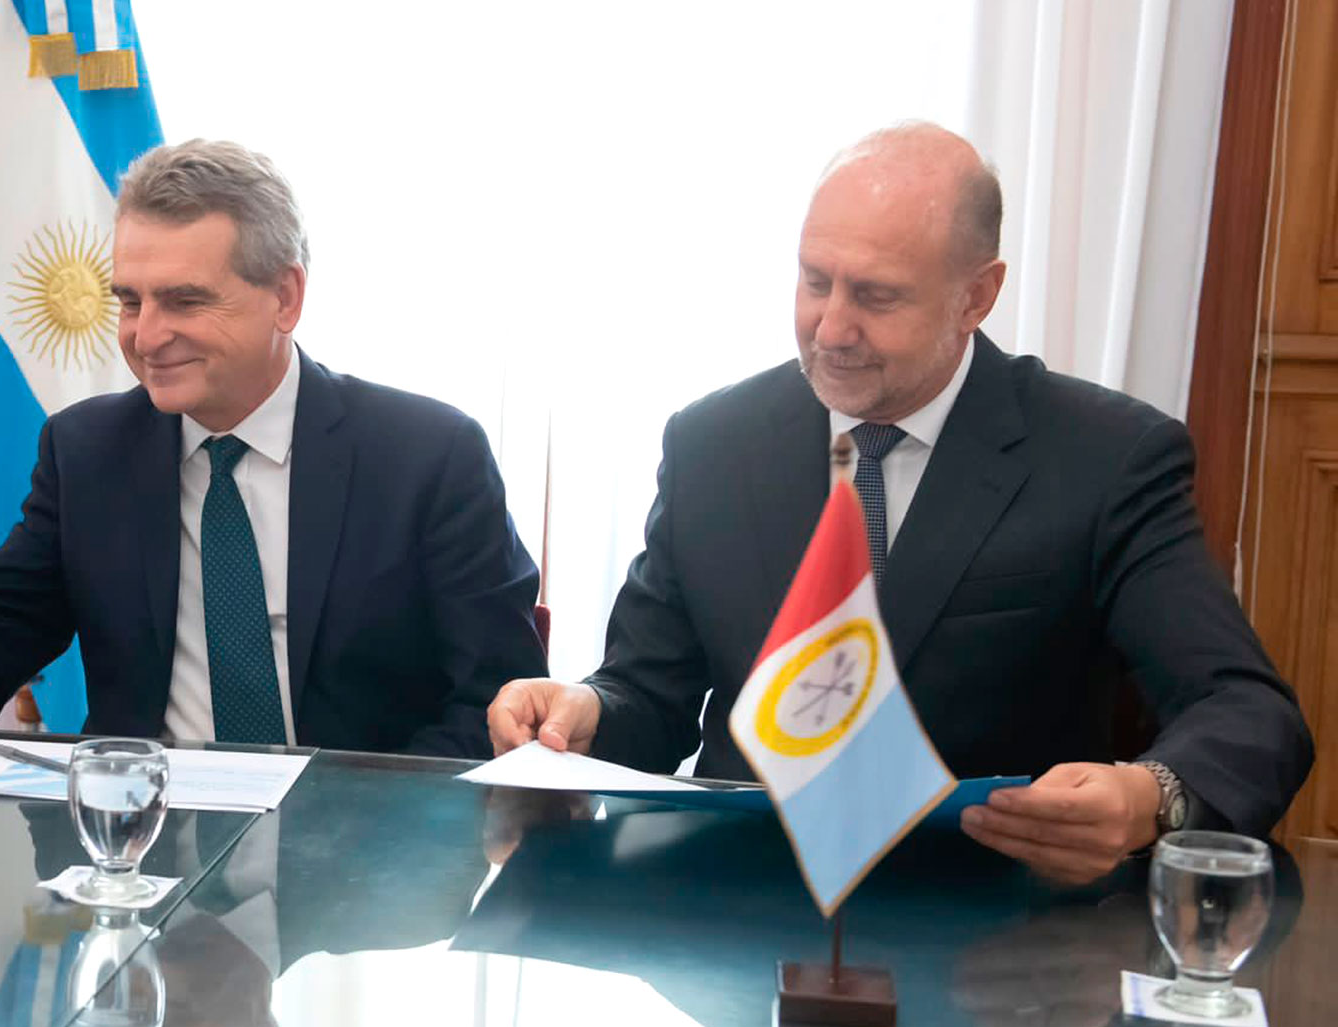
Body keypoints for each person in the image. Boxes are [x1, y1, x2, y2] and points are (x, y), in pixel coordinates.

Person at [487, 122, 1313, 883]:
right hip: (740, 903)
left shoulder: (1106, 459)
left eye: (876, 297)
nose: (831, 328)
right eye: (816, 282)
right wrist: (584, 715)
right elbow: (652, 695)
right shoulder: (714, 442)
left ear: (976, 296)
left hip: (996, 930)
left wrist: (1150, 794)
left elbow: (1247, 713)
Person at [0, 139, 545, 757]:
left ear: (285, 296)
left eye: (185, 300)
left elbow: (493, 703)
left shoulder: (427, 456)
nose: (146, 336)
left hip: (360, 871)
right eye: (129, 300)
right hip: (139, 861)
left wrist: (354, 831)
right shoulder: (87, 451)